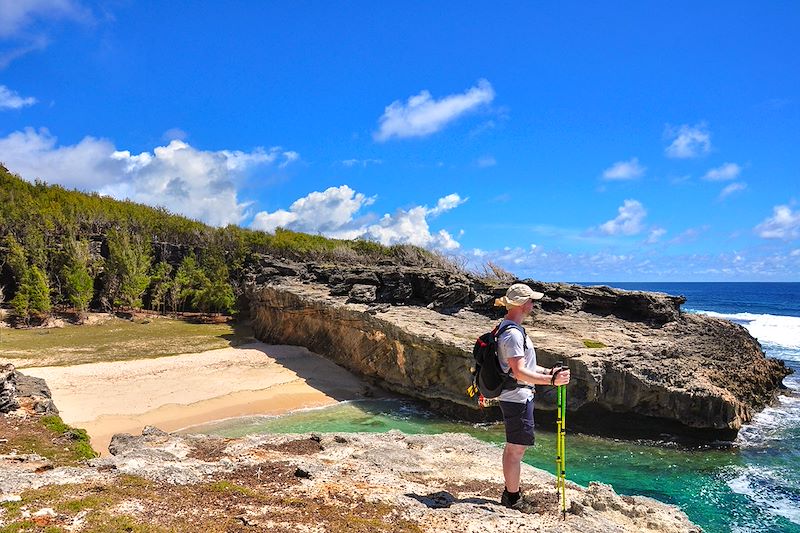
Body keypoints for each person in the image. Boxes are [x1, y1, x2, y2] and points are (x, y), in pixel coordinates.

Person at [494, 283, 570, 509]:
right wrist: (551, 381)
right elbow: (519, 372)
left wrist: (548, 372)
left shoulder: (509, 329)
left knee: (514, 447)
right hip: (516, 397)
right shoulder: (513, 335)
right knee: (516, 448)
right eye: (530, 301)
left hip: (517, 395)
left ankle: (511, 492)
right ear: (520, 304)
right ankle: (513, 498)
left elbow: (525, 366)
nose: (533, 305)